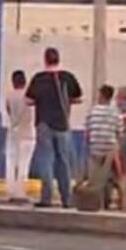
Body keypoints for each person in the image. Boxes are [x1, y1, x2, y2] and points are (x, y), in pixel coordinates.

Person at [25, 47, 83, 208]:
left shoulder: (39, 78)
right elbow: (78, 98)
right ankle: (66, 198)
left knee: (46, 160)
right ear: (58, 59)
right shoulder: (68, 78)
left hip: (43, 123)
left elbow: (28, 101)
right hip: (63, 124)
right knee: (63, 161)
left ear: (45, 59)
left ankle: (46, 198)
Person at [84, 84, 122, 208]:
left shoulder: (93, 111)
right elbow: (119, 132)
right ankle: (107, 200)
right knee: (108, 176)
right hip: (109, 149)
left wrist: (88, 144)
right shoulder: (116, 113)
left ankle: (94, 201)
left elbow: (87, 132)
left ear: (101, 95)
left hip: (95, 147)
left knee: (94, 177)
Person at [3, 70, 35, 203]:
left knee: (11, 162)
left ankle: (10, 190)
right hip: (27, 132)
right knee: (24, 163)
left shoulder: (9, 96)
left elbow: (9, 111)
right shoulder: (30, 96)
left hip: (12, 131)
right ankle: (20, 192)